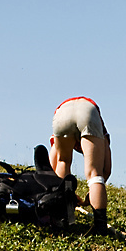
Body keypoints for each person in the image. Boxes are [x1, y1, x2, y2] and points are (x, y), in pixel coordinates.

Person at [49, 97, 112, 234]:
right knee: (95, 174)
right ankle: (100, 226)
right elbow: (106, 169)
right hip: (88, 110)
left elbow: (51, 169)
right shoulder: (102, 131)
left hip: (62, 111)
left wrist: (68, 195)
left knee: (63, 162)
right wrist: (93, 195)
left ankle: (65, 217)